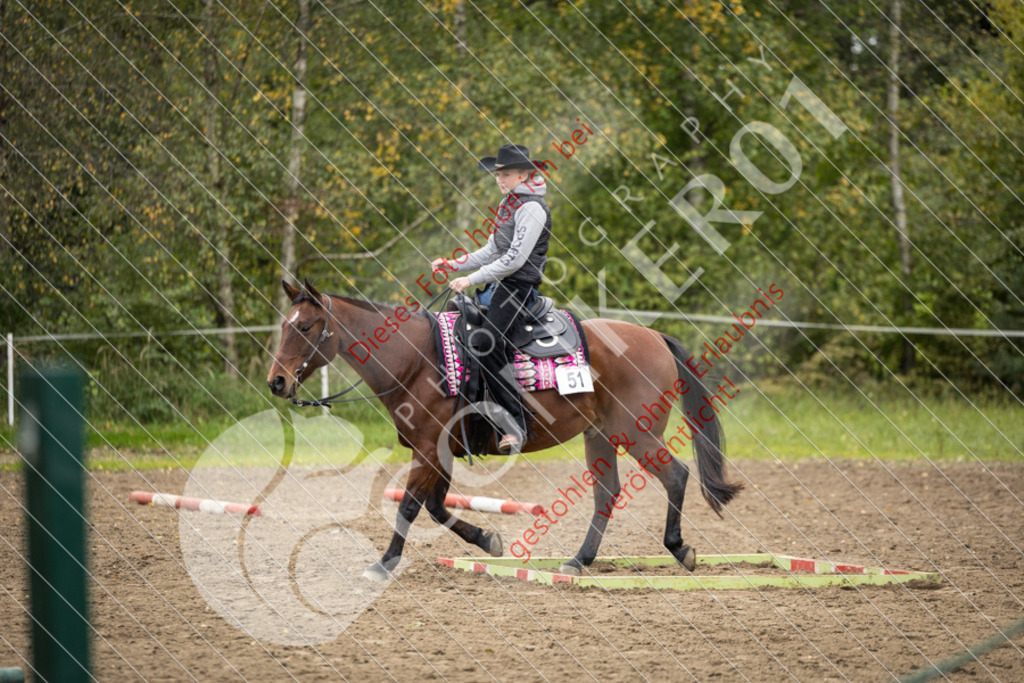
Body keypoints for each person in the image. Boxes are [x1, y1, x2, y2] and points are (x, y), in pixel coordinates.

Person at [431, 143, 552, 454]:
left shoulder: (532, 208)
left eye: (507, 174)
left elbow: (514, 259)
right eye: (498, 174)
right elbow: (493, 251)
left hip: (518, 288)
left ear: (525, 174)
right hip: (499, 286)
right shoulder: (508, 205)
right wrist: (454, 264)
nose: (500, 179)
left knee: (488, 343)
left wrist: (471, 279)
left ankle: (515, 423)